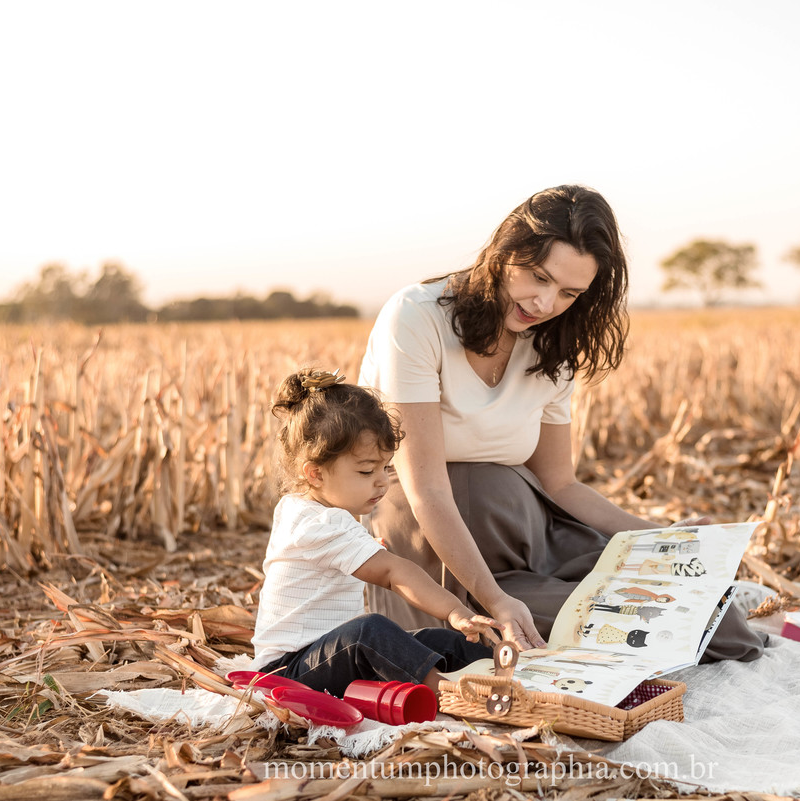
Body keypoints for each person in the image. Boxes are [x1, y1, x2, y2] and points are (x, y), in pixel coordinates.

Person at [358, 184, 766, 661]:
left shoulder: (552, 344)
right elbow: (427, 489)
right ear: (504, 252)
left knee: (714, 621)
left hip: (532, 533)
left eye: (569, 292)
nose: (545, 303)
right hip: (439, 549)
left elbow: (561, 484)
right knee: (603, 629)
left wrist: (662, 537)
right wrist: (497, 600)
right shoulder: (416, 317)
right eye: (537, 277)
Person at [250, 367, 501, 698]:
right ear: (315, 473)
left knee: (439, 638)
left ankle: (507, 672)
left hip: (327, 655)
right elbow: (393, 573)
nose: (383, 481)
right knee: (370, 631)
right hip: (287, 671)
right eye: (367, 470)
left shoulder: (312, 508)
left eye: (386, 467)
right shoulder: (317, 523)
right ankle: (448, 695)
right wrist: (455, 610)